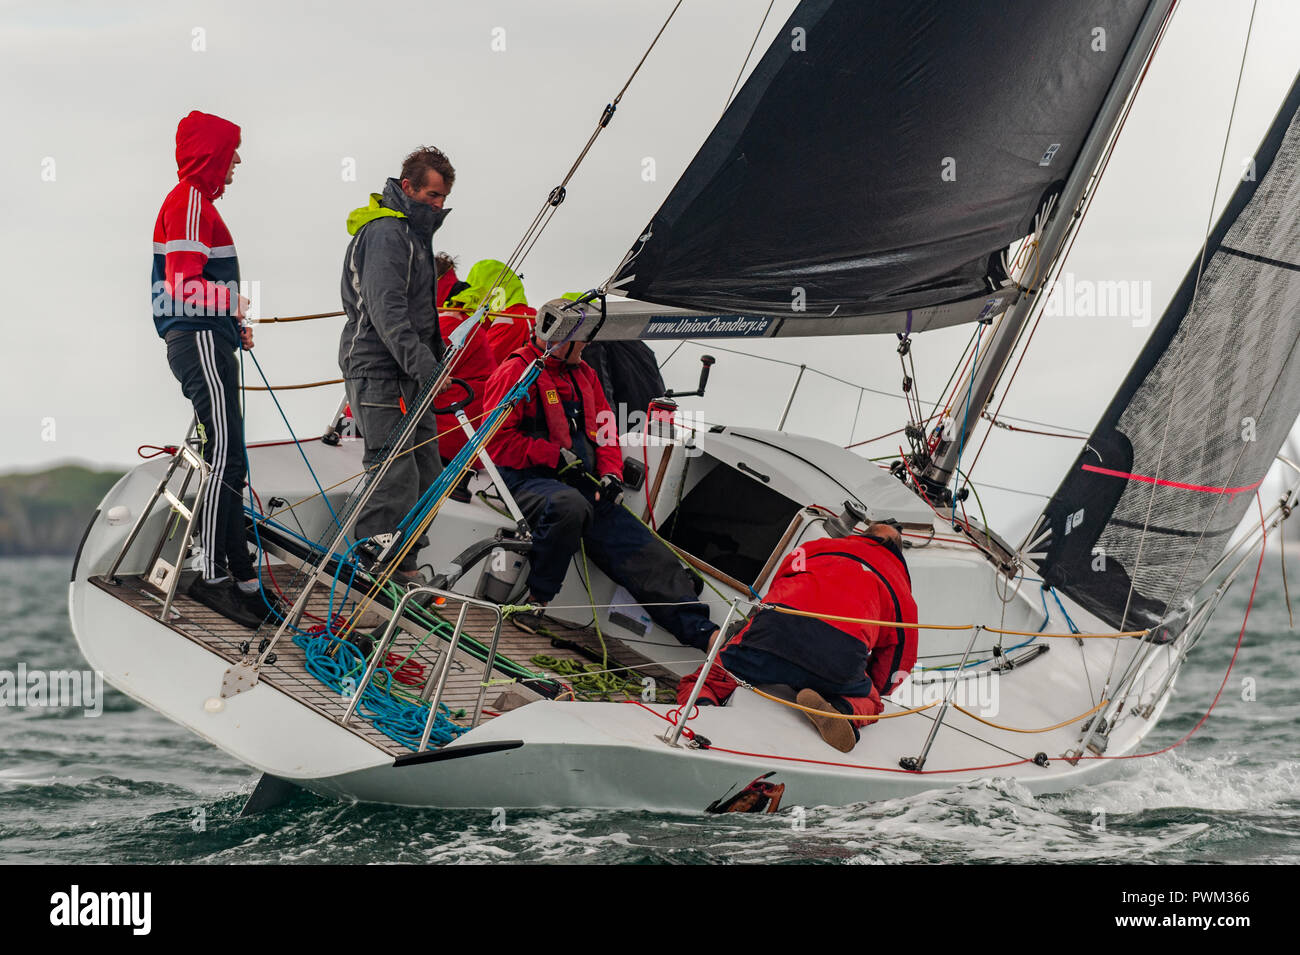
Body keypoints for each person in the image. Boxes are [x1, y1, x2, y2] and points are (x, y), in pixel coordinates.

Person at [482, 327, 719, 650]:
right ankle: (536, 601)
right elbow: (496, 441)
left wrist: (611, 474)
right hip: (526, 481)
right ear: (558, 340)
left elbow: (606, 431)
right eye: (584, 338)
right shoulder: (515, 372)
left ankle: (706, 634)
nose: (591, 344)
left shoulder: (586, 375)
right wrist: (552, 455)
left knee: (638, 544)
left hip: (581, 482)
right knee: (569, 506)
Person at [151, 110, 269, 629]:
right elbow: (181, 284)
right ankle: (209, 575)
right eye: (232, 150)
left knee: (231, 458)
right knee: (224, 457)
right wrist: (236, 304)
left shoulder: (193, 203)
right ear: (212, 153)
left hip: (206, 336)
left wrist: (230, 318)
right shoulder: (191, 201)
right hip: (198, 339)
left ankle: (244, 581)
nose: (238, 160)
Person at [677, 521, 918, 753]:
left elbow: (776, 590)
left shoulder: (817, 548)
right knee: (872, 701)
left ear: (864, 535)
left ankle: (702, 716)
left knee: (706, 680)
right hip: (838, 659)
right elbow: (896, 665)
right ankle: (841, 709)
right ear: (898, 554)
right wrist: (863, 681)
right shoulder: (900, 589)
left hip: (774, 632)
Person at [338, 146, 455, 582]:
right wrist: (429, 368)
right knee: (394, 470)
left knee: (427, 470)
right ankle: (367, 571)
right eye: (431, 195)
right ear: (406, 187)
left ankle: (400, 564)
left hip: (409, 373)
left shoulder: (413, 233)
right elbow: (387, 312)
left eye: (442, 198)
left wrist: (429, 366)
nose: (438, 206)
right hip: (380, 370)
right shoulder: (389, 232)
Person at [433, 254, 496, 502]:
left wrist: (352, 420)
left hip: (447, 439)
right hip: (466, 437)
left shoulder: (449, 323)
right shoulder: (463, 321)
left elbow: (410, 375)